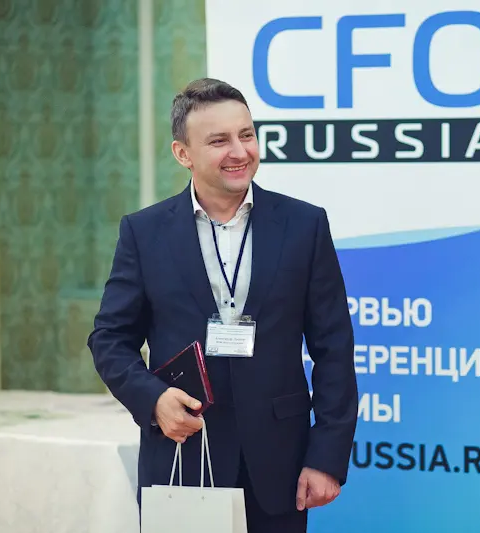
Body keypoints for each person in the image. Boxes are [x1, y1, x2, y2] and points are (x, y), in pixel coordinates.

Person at [88, 78, 358, 533]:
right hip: (183, 456)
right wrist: (153, 400)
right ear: (183, 154)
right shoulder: (144, 232)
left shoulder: (304, 225)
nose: (240, 151)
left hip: (280, 465)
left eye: (246, 135)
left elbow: (334, 347)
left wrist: (327, 457)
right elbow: (109, 340)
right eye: (219, 141)